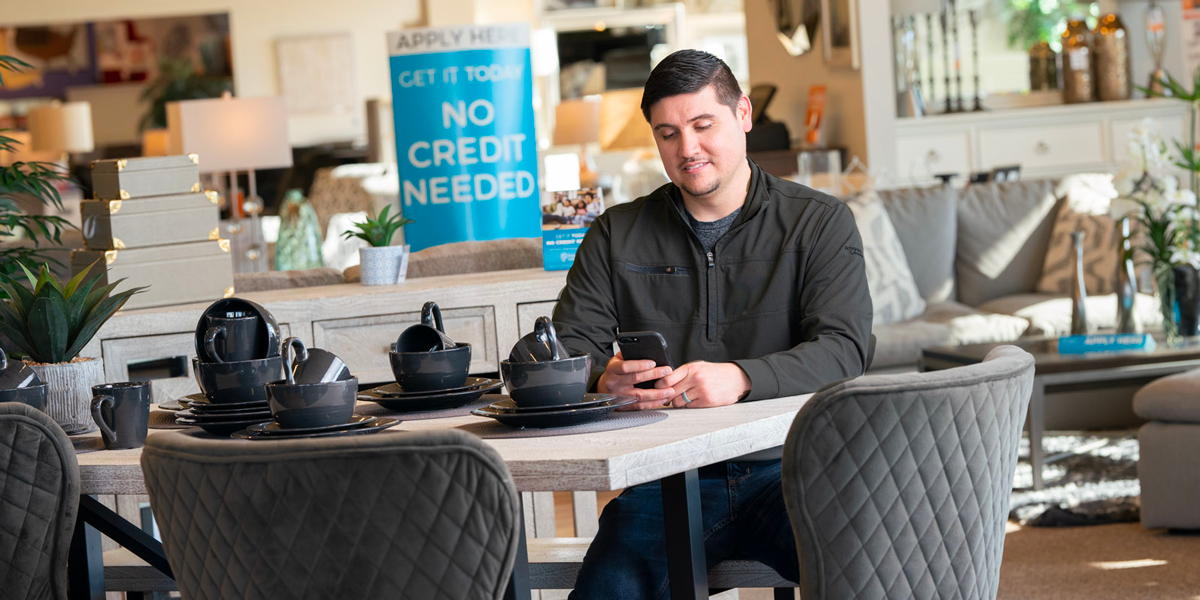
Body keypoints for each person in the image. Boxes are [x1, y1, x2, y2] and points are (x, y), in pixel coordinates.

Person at [551, 49, 872, 598]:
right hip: (666, 476)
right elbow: (568, 345)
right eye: (668, 133)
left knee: (875, 574)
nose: (688, 148)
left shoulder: (819, 222)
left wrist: (741, 378)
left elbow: (844, 348)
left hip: (795, 469)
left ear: (743, 114)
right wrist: (603, 378)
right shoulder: (615, 233)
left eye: (703, 125)